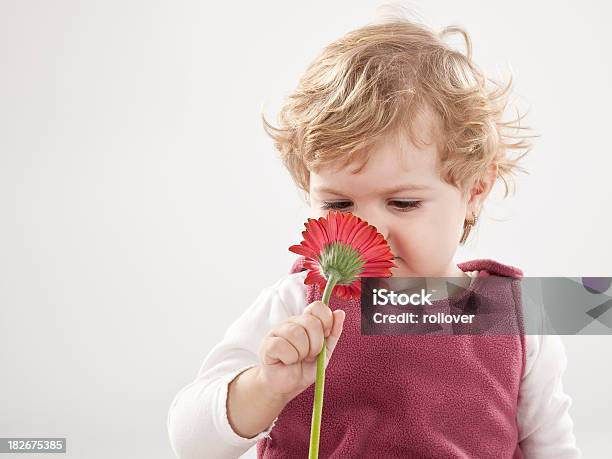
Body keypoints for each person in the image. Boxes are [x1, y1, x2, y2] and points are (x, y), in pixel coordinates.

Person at [167, 15, 581, 458]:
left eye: (403, 204)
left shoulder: (516, 316)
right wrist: (266, 387)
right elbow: (190, 441)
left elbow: (553, 445)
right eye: (338, 205)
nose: (368, 233)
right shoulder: (300, 304)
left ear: (475, 191)